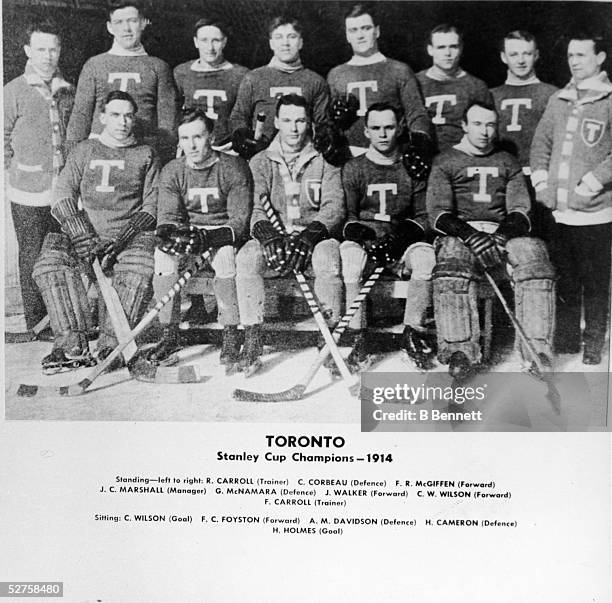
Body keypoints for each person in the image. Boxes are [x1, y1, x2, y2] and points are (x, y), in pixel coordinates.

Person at [33, 90, 159, 373]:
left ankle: (111, 344)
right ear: (103, 117)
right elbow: (62, 192)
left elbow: (152, 206)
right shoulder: (85, 150)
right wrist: (80, 234)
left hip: (128, 239)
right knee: (49, 265)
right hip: (85, 236)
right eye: (115, 115)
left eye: (128, 115)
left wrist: (120, 241)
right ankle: (70, 345)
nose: (122, 121)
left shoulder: (145, 153)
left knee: (139, 268)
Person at [427, 101, 556, 378]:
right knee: (452, 267)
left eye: (490, 124)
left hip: (500, 231)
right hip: (461, 233)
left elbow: (521, 209)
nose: (484, 131)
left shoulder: (507, 160)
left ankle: (537, 350)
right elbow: (437, 214)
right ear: (464, 126)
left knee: (535, 260)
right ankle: (458, 351)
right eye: (477, 124)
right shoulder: (446, 161)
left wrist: (502, 236)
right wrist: (470, 236)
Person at [235, 94, 345, 376]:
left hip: (312, 238)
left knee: (329, 259)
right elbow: (256, 205)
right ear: (276, 122)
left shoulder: (325, 158)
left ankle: (328, 338)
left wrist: (310, 235)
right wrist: (268, 235)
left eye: (300, 121)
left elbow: (334, 206)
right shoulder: (261, 160)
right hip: (276, 237)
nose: (294, 128)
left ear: (309, 123)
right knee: (247, 258)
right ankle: (252, 337)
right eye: (287, 121)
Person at [148, 109, 253, 371]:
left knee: (226, 257)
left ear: (211, 136)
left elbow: (239, 221)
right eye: (185, 138)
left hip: (221, 234)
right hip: (191, 233)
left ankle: (231, 332)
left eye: (198, 137)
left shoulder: (232, 166)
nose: (192, 145)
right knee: (163, 256)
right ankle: (169, 334)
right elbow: (168, 215)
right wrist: (169, 235)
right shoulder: (173, 170)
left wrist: (211, 237)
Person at [531, 31, 612, 365]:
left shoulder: (609, 99)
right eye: (570, 56)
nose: (575, 62)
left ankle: (594, 341)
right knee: (565, 278)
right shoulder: (558, 99)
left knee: (595, 282)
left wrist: (590, 184)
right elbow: (541, 145)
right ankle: (566, 339)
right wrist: (542, 185)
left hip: (595, 212)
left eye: (582, 55)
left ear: (600, 58)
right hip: (559, 212)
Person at [341, 102, 435, 371]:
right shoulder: (354, 168)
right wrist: (365, 236)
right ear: (366, 132)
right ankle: (359, 336)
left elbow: (424, 216)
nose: (383, 134)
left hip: (401, 241)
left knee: (426, 258)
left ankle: (412, 334)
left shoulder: (412, 165)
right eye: (376, 128)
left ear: (400, 128)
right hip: (367, 241)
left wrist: (399, 238)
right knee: (349, 259)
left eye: (389, 127)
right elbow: (346, 218)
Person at [4, 19, 74, 341]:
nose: (47, 55)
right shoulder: (13, 91)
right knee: (31, 253)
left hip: (62, 190)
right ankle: (37, 322)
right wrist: (15, 168)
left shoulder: (68, 90)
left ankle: (63, 317)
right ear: (28, 50)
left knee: (59, 253)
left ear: (60, 51)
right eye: (41, 49)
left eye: (53, 48)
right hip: (28, 190)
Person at [66, 0, 177, 162]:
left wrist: (162, 161)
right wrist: (73, 160)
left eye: (132, 21)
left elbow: (168, 124)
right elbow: (80, 116)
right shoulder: (95, 65)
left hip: (141, 154)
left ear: (143, 23)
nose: (126, 29)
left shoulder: (159, 67)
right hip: (99, 153)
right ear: (110, 27)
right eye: (119, 22)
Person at [326, 3, 431, 158]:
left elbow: (416, 113)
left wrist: (418, 144)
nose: (360, 35)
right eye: (353, 30)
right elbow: (328, 122)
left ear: (377, 31)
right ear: (347, 36)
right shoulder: (336, 74)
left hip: (391, 155)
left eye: (366, 28)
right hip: (350, 156)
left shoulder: (399, 70)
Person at [229, 16, 330, 160]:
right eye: (279, 37)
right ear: (271, 43)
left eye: (292, 37)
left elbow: (322, 124)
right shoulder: (254, 78)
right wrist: (242, 136)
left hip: (303, 158)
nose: (285, 43)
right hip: (262, 159)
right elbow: (238, 116)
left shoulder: (315, 81)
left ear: (301, 42)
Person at [173, 17, 249, 149]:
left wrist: (236, 145)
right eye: (204, 40)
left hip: (227, 148)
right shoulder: (182, 72)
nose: (210, 47)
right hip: (192, 148)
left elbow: (243, 116)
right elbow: (175, 113)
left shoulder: (240, 75)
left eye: (216, 41)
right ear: (196, 42)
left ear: (224, 41)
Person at [417, 24, 492, 152]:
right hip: (424, 155)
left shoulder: (476, 87)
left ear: (461, 49)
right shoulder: (415, 82)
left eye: (453, 47)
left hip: (463, 158)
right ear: (430, 50)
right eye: (441, 47)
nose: (447, 53)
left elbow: (488, 130)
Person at [491, 31, 558, 171]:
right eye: (513, 54)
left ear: (536, 55)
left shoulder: (553, 94)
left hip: (541, 174)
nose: (520, 61)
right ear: (503, 57)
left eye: (527, 54)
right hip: (501, 173)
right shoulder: (491, 95)